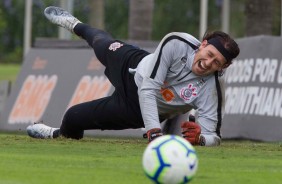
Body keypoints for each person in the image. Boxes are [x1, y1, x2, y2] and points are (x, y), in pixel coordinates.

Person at [27, 6, 240, 146]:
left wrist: (201, 138)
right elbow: (149, 88)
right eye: (210, 54)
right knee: (101, 42)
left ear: (224, 66)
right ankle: (74, 24)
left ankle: (54, 134)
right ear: (202, 45)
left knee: (73, 117)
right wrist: (155, 132)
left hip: (135, 109)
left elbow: (214, 136)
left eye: (217, 63)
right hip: (134, 67)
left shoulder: (210, 89)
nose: (209, 63)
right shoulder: (177, 42)